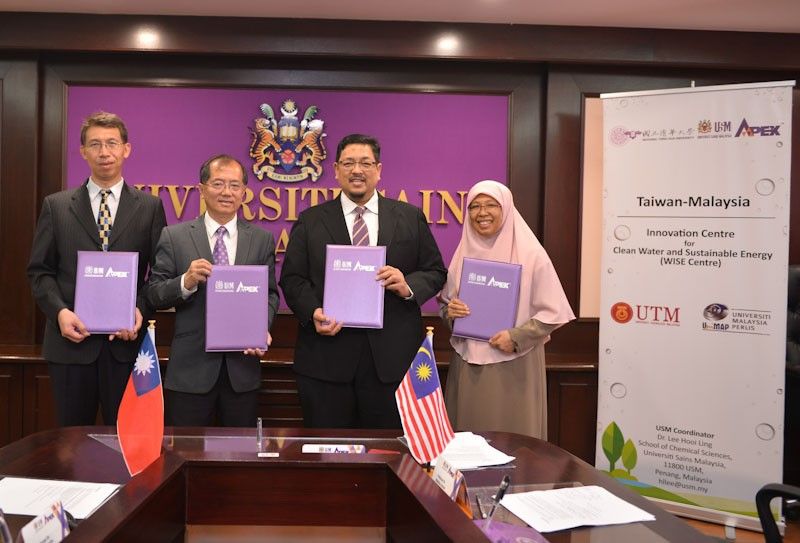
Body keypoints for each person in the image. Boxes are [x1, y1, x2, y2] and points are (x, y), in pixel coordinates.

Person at [280, 133, 447, 429]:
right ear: (335, 170)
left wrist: (408, 285)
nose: (357, 170)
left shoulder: (409, 217)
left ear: (379, 170)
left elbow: (435, 271)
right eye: (349, 163)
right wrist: (313, 311)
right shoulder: (310, 220)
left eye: (365, 163)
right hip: (326, 362)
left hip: (392, 362)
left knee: (388, 457)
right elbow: (292, 279)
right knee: (327, 459)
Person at [27, 111, 167, 426]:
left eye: (112, 144)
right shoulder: (57, 206)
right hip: (70, 345)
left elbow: (159, 274)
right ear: (83, 152)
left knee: (125, 442)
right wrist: (60, 312)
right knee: (71, 443)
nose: (104, 152)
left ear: (126, 149)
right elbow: (39, 272)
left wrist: (140, 309)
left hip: (126, 346)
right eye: (95, 144)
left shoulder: (149, 207)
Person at [145, 154, 279, 427]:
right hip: (191, 371)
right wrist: (186, 281)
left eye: (234, 185)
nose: (226, 192)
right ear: (202, 189)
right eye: (218, 184)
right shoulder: (175, 236)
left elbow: (269, 294)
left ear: (244, 192)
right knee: (185, 456)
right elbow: (153, 293)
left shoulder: (262, 239)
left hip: (241, 371)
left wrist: (260, 327)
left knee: (240, 460)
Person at [439, 180, 575, 439]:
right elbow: (446, 307)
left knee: (514, 442)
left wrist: (516, 337)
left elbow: (553, 313)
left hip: (515, 366)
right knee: (468, 439)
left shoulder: (532, 255)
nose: (482, 213)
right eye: (475, 206)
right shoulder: (461, 255)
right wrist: (451, 314)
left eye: (491, 205)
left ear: (507, 209)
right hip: (468, 366)